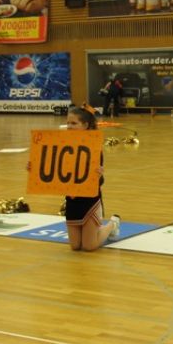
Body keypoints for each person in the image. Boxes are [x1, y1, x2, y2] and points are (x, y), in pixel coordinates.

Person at [28, 106, 120, 251]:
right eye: (68, 123)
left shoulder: (94, 146)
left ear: (85, 125)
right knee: (75, 246)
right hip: (71, 199)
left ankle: (112, 224)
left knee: (89, 246)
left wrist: (99, 174)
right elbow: (53, 167)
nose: (69, 126)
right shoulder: (61, 143)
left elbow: (99, 181)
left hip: (90, 200)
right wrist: (35, 168)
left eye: (74, 123)